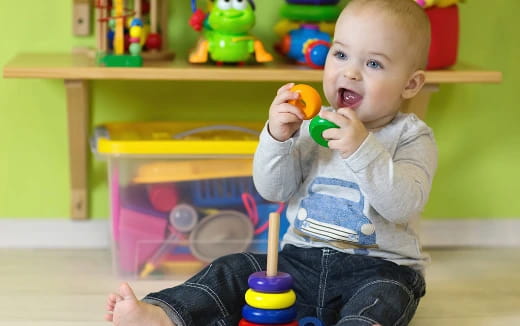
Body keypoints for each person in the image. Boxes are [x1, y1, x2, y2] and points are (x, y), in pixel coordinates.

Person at [104, 0, 437, 325]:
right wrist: (278, 138)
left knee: (386, 299)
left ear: (411, 83)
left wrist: (362, 148)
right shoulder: (310, 125)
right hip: (298, 263)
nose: (349, 72)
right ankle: (163, 315)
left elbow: (402, 206)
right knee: (232, 268)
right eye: (340, 54)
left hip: (378, 270)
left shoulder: (411, 136)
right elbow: (272, 190)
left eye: (374, 64)